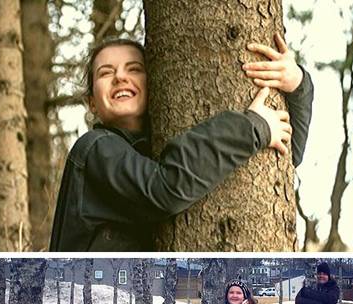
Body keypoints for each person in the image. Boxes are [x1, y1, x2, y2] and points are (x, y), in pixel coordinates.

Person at [49, 34, 314, 251]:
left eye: (135, 69)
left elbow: (287, 159)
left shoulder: (151, 148)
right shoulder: (95, 149)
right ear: (92, 102)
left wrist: (297, 84)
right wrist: (249, 127)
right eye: (106, 73)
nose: (120, 77)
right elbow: (164, 187)